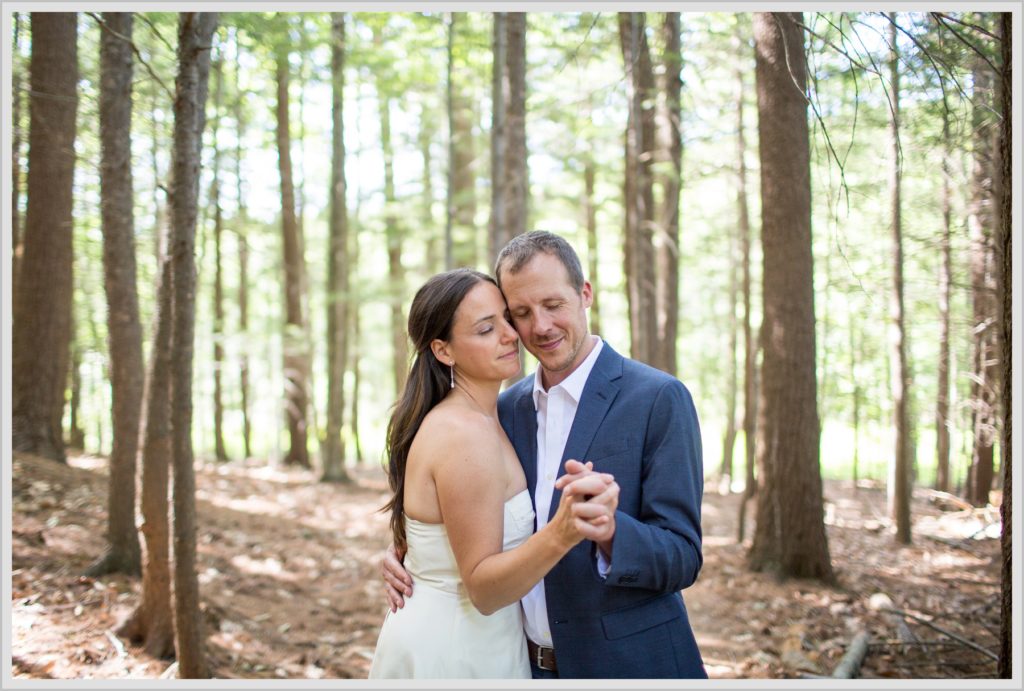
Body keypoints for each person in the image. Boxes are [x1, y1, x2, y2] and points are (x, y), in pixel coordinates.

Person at [383, 231, 707, 679]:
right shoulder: (504, 409)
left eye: (553, 305)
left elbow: (684, 555)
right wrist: (413, 553)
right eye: (521, 313)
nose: (540, 327)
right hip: (521, 666)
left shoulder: (657, 398)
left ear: (585, 293)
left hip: (629, 667)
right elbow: (471, 514)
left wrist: (612, 532)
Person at [368, 268, 620, 679]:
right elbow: (483, 590)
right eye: (486, 329)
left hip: (484, 640)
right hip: (456, 651)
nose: (510, 334)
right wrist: (563, 531)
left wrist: (409, 552)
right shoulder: (465, 433)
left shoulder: (493, 416)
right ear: (443, 351)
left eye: (507, 318)